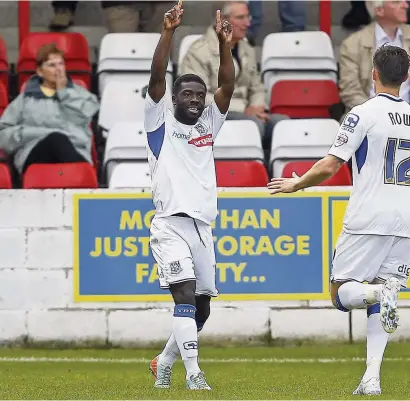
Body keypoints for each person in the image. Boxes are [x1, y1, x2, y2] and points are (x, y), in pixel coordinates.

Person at [268, 44, 410, 396]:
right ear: (407, 77)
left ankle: (381, 294)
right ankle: (371, 379)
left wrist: (296, 183)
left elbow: (330, 164)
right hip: (406, 220)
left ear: (373, 74)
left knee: (341, 294)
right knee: (379, 301)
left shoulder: (361, 114)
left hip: (369, 216)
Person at [144, 0, 234, 391]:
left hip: (202, 226)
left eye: (200, 95)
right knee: (182, 294)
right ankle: (194, 375)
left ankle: (163, 360)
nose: (196, 100)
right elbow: (156, 78)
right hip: (169, 225)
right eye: (189, 95)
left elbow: (227, 85)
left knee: (202, 308)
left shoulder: (209, 124)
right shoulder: (158, 123)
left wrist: (224, 44)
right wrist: (168, 33)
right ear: (174, 99)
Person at [180, 1, 288, 149]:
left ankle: (269, 170)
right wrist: (243, 110)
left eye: (248, 17)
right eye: (240, 18)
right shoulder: (199, 51)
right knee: (254, 126)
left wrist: (257, 106)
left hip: (245, 112)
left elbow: (257, 87)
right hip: (212, 113)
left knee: (282, 124)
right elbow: (195, 96)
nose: (247, 23)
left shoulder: (246, 49)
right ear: (223, 20)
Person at [339, 0, 410, 136]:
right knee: (350, 125)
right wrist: (373, 113)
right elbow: (349, 89)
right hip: (368, 113)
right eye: (396, 2)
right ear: (379, 11)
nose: (405, 5)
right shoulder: (352, 44)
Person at [0, 43, 99, 177]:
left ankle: (79, 179)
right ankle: (81, 181)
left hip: (75, 151)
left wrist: (64, 92)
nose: (58, 70)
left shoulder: (82, 95)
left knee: (59, 140)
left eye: (61, 64)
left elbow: (85, 116)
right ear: (40, 71)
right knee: (55, 139)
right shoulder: (25, 99)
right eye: (52, 65)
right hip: (34, 154)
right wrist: (28, 133)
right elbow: (3, 133)